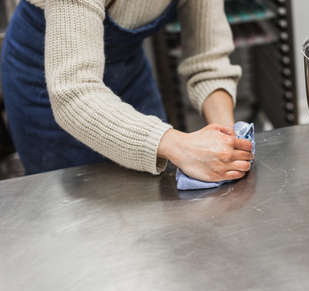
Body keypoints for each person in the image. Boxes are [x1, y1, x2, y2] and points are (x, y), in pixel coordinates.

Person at [1, 0, 254, 182]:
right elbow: (73, 94)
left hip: (127, 73)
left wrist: (227, 140)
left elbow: (207, 59)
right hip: (49, 81)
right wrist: (182, 147)